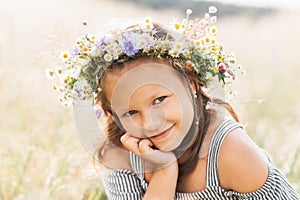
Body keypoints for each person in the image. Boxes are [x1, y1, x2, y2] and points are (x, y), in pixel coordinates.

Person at [46, 7, 299, 200]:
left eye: (159, 99)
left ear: (190, 82)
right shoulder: (122, 155)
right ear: (113, 114)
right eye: (131, 112)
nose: (150, 122)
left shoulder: (230, 152)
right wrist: (164, 170)